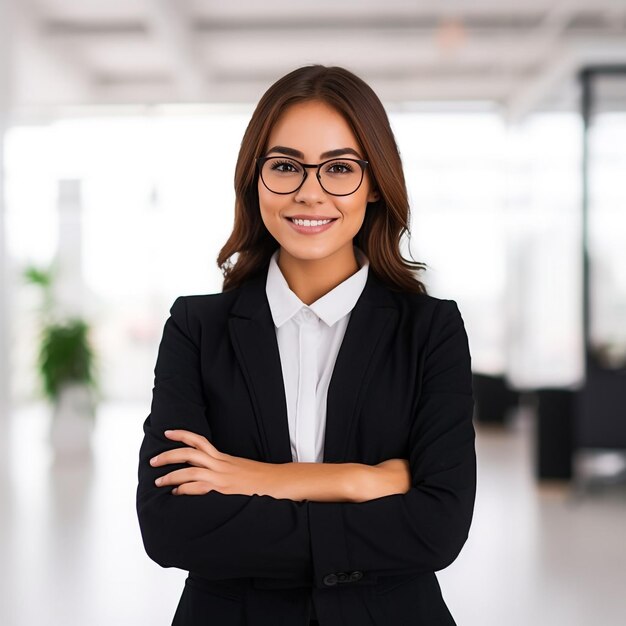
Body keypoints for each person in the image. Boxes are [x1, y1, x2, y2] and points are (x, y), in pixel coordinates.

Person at [136, 64, 476, 626]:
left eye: (339, 168)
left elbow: (437, 530)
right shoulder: (196, 326)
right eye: (286, 166)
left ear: (373, 185)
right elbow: (172, 528)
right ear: (255, 179)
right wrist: (363, 483)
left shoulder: (430, 329)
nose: (309, 193)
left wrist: (262, 480)